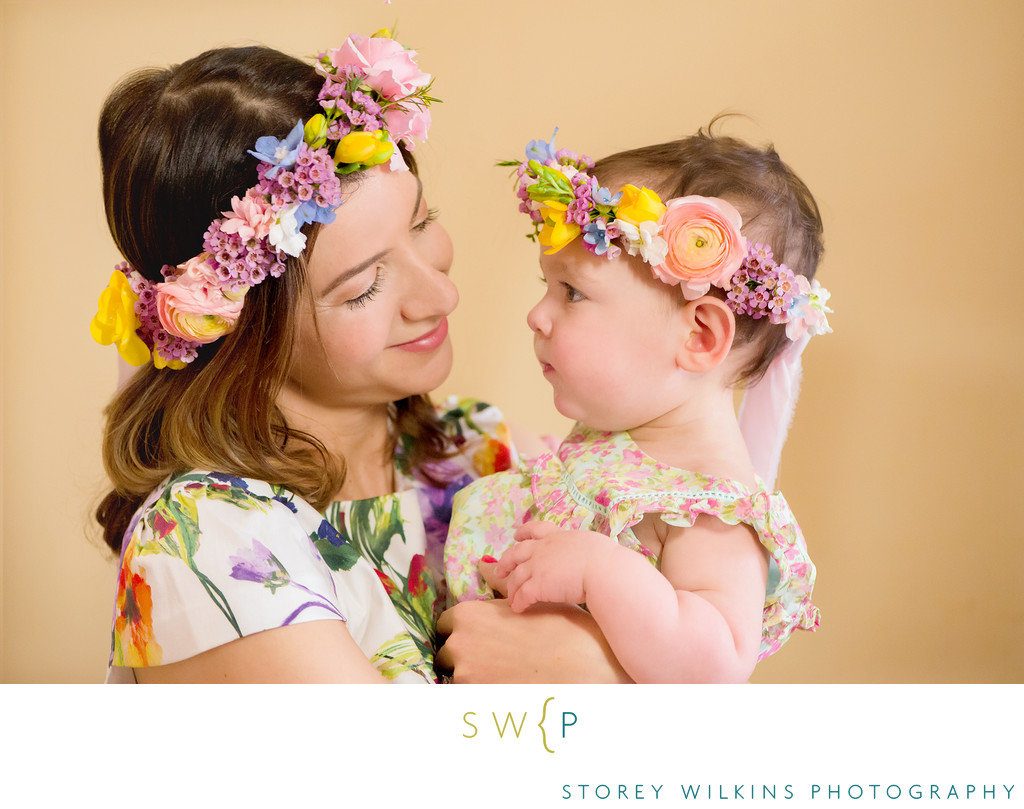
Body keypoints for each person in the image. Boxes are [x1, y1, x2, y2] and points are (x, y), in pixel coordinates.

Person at [91, 31, 530, 683]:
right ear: (241, 327)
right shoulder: (208, 540)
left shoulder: (470, 451)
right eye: (363, 287)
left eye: (421, 222)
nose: (443, 295)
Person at [444, 128, 831, 683]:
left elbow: (714, 669)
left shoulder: (711, 507)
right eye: (547, 285)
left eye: (573, 293)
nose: (537, 315)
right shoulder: (620, 434)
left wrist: (603, 572)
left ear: (698, 335)